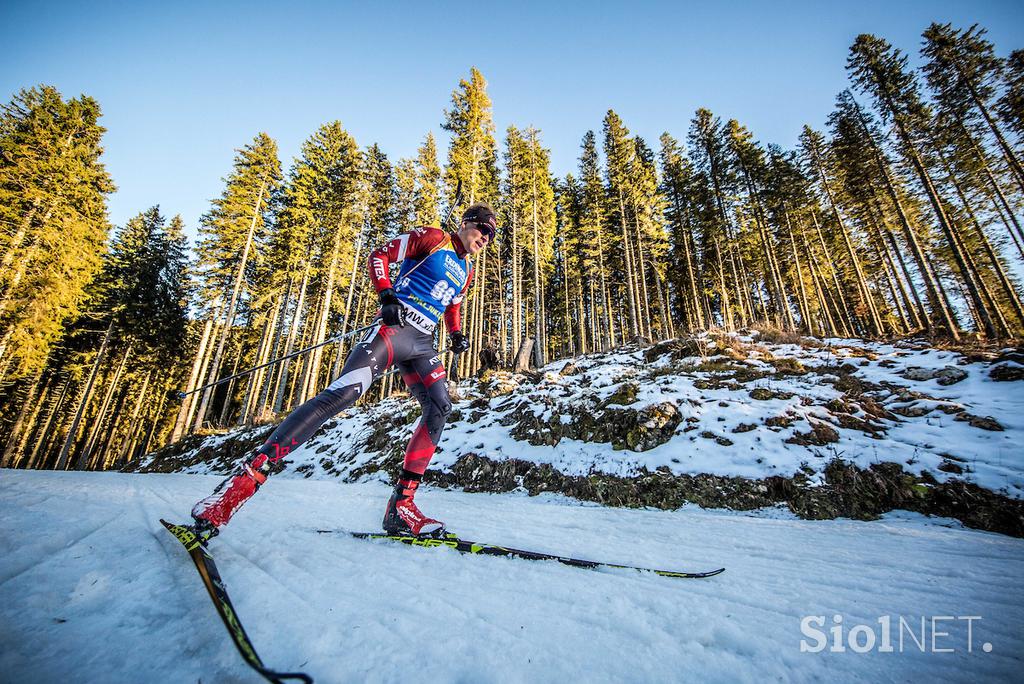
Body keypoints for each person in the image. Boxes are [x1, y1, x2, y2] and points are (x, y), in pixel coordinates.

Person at [189, 203, 498, 541]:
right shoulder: (434, 238)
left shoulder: (467, 271)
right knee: (344, 394)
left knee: (440, 407)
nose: (486, 237)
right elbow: (378, 256)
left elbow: (452, 304)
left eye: (491, 235)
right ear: (466, 224)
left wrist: (455, 333)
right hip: (394, 330)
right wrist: (387, 297)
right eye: (482, 229)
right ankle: (237, 487)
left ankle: (402, 506)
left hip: (423, 343)